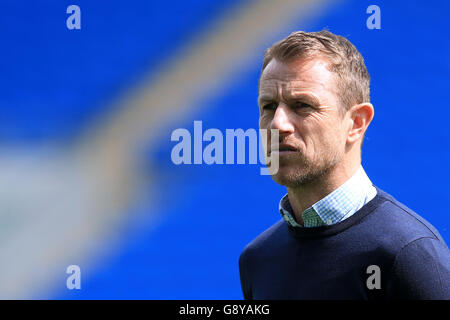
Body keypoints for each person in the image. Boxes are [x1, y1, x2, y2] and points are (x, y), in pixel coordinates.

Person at [239, 30, 450, 300]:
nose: (277, 124)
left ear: (356, 123)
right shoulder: (258, 260)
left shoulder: (409, 254)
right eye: (268, 106)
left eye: (302, 105)